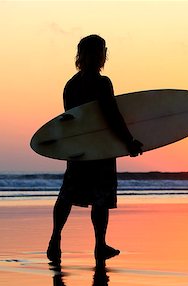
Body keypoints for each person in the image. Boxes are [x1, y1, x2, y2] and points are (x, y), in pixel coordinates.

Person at [47, 35, 143, 268]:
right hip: (100, 148)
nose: (102, 56)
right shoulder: (102, 83)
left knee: (68, 194)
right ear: (99, 55)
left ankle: (55, 239)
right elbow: (111, 115)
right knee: (100, 198)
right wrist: (128, 142)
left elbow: (71, 121)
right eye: (101, 51)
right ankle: (100, 245)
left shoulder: (71, 84)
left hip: (79, 150)